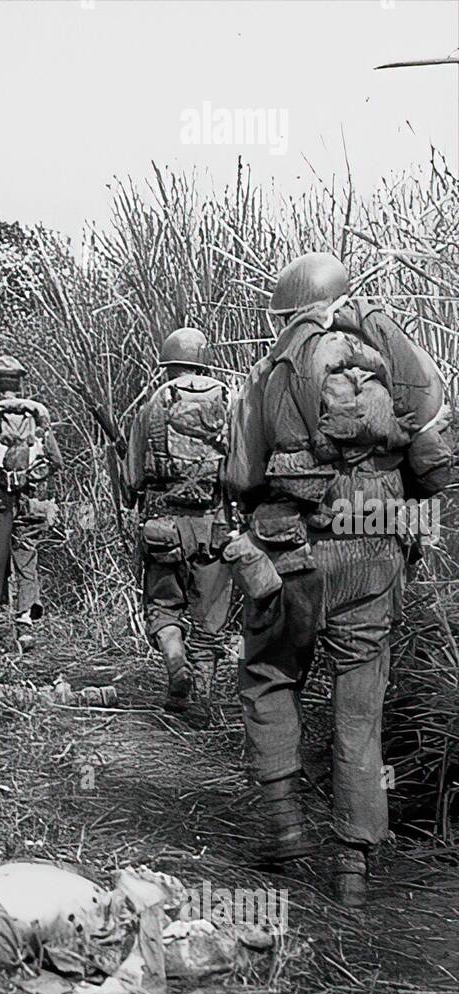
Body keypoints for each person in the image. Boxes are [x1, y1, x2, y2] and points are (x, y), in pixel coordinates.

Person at [227, 251, 453, 903]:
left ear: (288, 311)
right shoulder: (384, 351)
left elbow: (241, 475)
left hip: (294, 549)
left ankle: (286, 828)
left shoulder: (272, 371)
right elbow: (434, 455)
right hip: (375, 549)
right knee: (361, 706)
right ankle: (351, 864)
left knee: (269, 676)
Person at [124, 328, 233, 719]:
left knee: (164, 607)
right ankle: (201, 703)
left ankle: (175, 664)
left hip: (164, 528)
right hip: (216, 526)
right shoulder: (229, 400)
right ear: (203, 361)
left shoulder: (155, 403)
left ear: (168, 364)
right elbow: (244, 471)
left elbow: (133, 478)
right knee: (209, 619)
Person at [0, 354, 62, 649]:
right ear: (20, 382)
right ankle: (25, 619)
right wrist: (31, 477)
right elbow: (55, 460)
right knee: (27, 556)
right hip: (30, 499)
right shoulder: (36, 416)